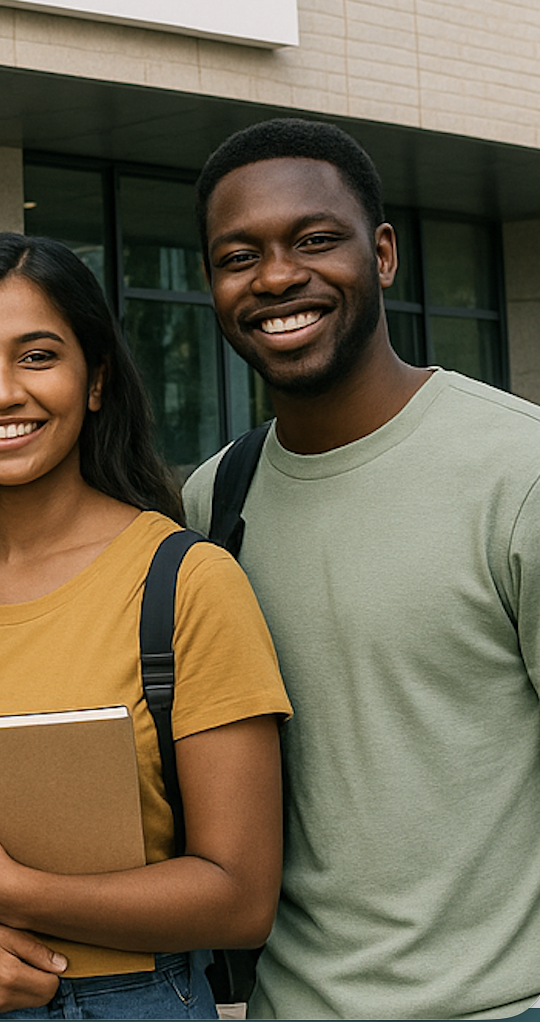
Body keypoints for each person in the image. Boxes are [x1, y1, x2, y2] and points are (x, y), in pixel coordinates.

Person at [0, 233, 292, 1019]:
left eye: (37, 356)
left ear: (96, 380)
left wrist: (15, 892)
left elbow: (241, 898)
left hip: (131, 1002)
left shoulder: (187, 583)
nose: (1, 392)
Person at [183, 117, 540, 1020]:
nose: (276, 277)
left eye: (314, 240)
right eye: (239, 256)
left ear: (381, 254)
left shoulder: (519, 470)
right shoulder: (213, 497)